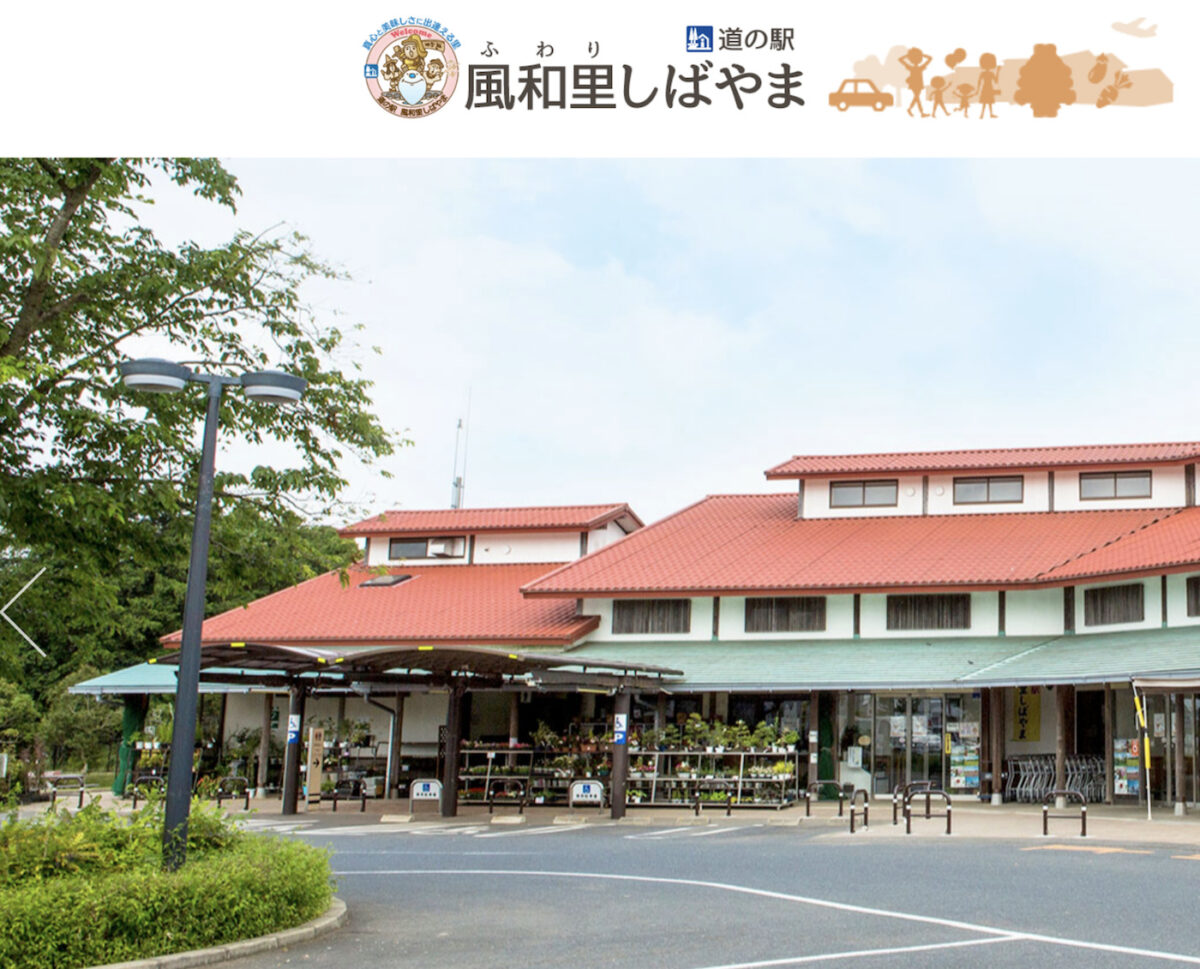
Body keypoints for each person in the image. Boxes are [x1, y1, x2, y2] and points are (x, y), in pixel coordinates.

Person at [899, 47, 933, 117]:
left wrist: (908, 55)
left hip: (916, 84)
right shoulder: (920, 68)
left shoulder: (911, 68)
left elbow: (900, 59)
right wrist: (922, 55)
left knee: (916, 98)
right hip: (917, 84)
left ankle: (911, 110)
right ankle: (920, 112)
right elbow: (930, 58)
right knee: (917, 97)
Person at [975, 52, 1001, 119]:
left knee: (989, 102)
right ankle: (983, 114)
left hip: (988, 88)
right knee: (986, 102)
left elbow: (995, 81)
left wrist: (998, 71)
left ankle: (987, 114)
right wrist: (998, 71)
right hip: (987, 88)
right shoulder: (985, 73)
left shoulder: (987, 73)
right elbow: (979, 82)